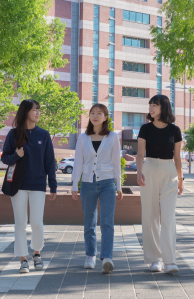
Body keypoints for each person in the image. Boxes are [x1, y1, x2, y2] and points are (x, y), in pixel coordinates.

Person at [1, 99, 57, 274]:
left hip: (38, 184)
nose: (38, 113)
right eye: (34, 110)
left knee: (37, 222)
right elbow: (5, 158)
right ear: (25, 112)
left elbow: (50, 162)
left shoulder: (44, 135)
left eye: (39, 110)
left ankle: (37, 254)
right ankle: (23, 259)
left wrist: (53, 185)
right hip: (18, 184)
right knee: (20, 223)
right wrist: (16, 155)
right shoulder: (14, 134)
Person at [71, 103, 123, 274]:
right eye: (92, 113)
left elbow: (116, 162)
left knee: (107, 222)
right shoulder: (83, 137)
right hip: (87, 183)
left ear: (105, 117)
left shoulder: (113, 136)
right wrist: (74, 185)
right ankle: (90, 256)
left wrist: (119, 185)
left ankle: (107, 257)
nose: (95, 116)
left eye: (99, 113)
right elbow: (78, 162)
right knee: (89, 222)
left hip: (107, 183)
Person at [136, 94, 184, 273]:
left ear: (164, 107)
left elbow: (177, 157)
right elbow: (140, 154)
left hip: (169, 171)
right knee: (150, 216)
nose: (151, 108)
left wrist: (180, 179)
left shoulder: (175, 130)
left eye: (155, 105)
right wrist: (139, 172)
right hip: (149, 169)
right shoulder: (145, 128)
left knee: (168, 217)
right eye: (150, 105)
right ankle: (155, 259)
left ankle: (170, 260)